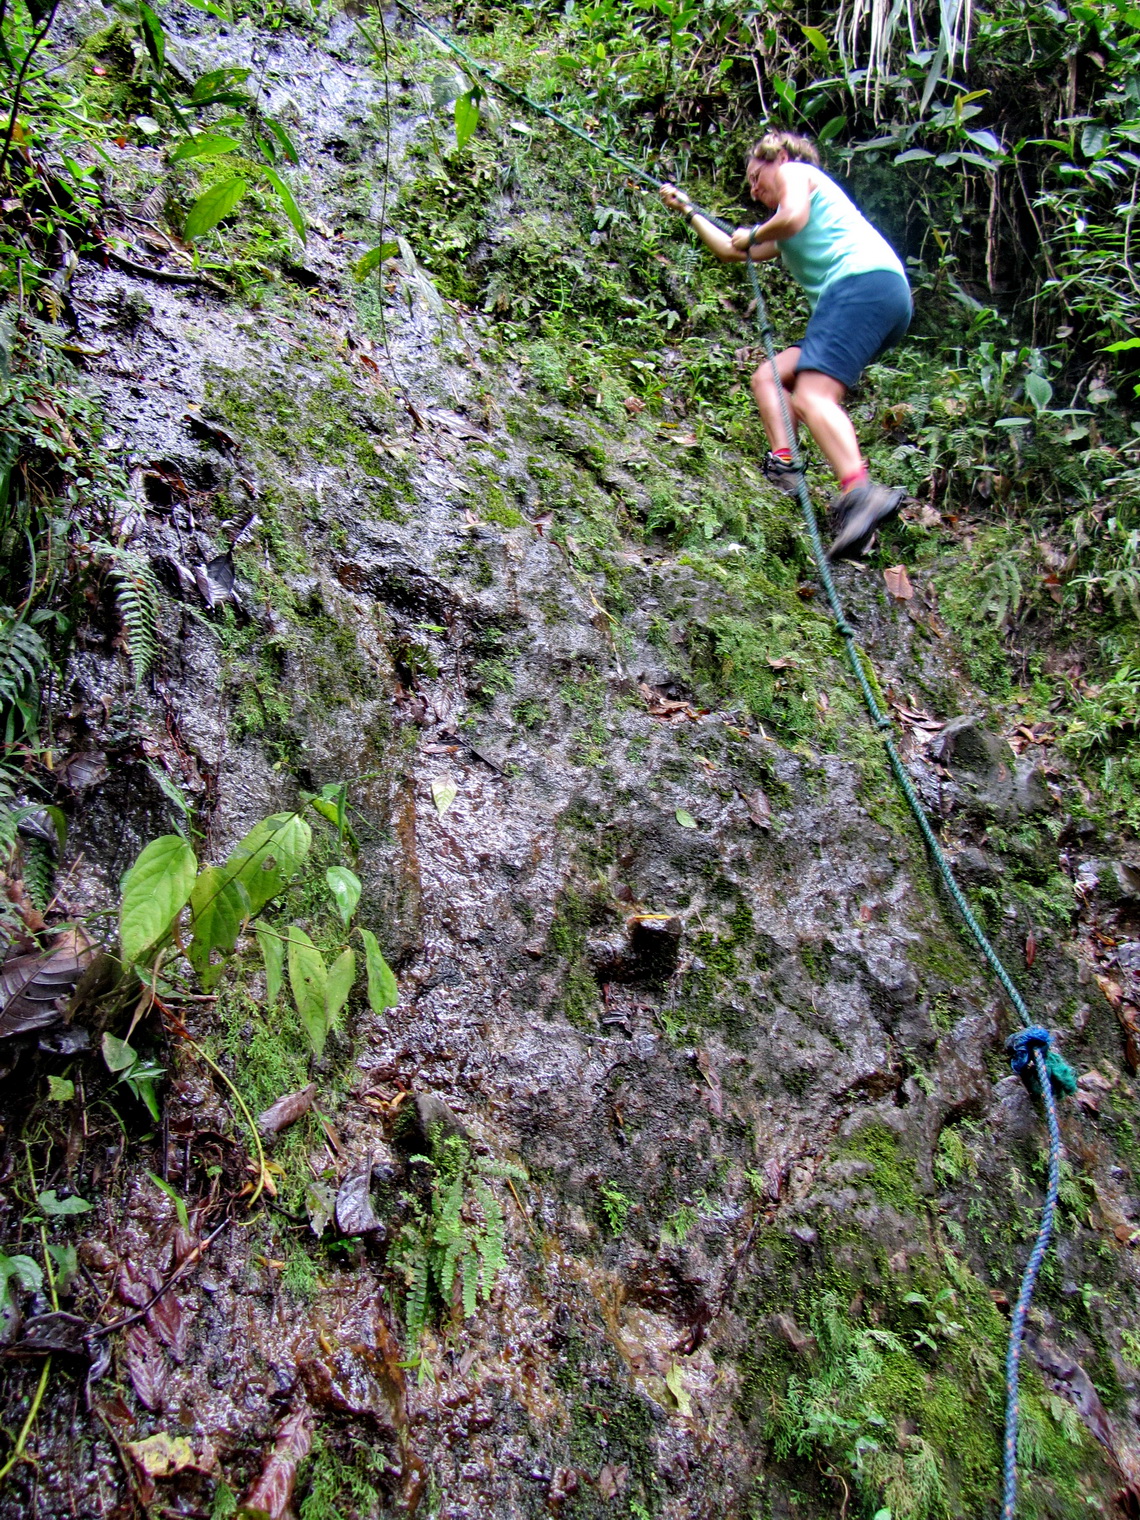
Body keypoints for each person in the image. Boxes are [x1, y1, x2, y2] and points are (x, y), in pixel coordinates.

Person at [660, 131, 912, 561]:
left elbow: (790, 218)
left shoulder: (799, 174)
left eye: (756, 176)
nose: (754, 189)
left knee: (814, 395)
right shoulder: (787, 222)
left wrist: (754, 230)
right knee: (771, 377)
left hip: (861, 285)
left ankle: (859, 491)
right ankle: (787, 466)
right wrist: (689, 211)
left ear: (777, 158)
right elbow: (730, 251)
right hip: (873, 297)